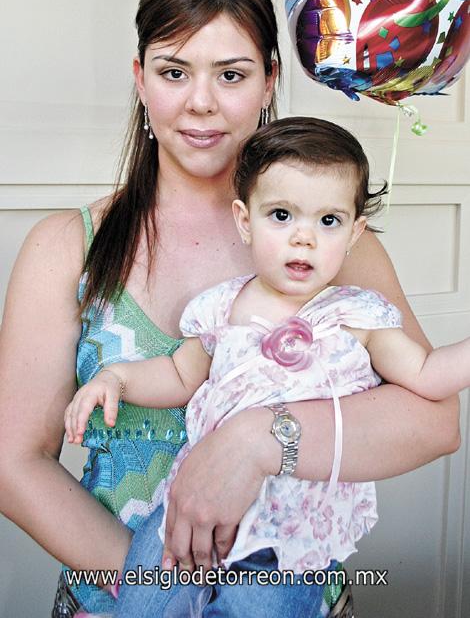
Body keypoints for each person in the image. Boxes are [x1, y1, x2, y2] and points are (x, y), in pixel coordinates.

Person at [0, 0, 459, 618]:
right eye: (173, 71)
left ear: (271, 79)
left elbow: (435, 420)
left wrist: (258, 438)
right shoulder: (66, 246)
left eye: (233, 74)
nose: (202, 102)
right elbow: (16, 464)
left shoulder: (326, 250)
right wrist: (165, 587)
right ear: (140, 79)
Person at [64, 116, 470, 617]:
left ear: (355, 231)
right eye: (281, 215)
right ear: (245, 220)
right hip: (190, 514)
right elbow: (178, 375)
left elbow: (428, 373)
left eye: (328, 221)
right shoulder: (223, 306)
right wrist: (116, 378)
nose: (304, 238)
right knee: (145, 602)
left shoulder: (358, 316)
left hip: (286, 538)